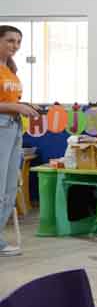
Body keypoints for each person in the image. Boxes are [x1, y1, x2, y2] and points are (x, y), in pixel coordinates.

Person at [0, 26, 39, 257]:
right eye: (10, 41)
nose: (14, 46)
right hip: (2, 125)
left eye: (18, 42)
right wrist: (16, 107)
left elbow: (12, 99)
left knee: (9, 187)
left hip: (14, 128)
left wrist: (26, 106)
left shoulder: (11, 70)